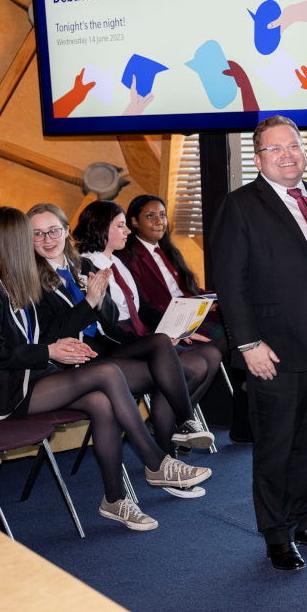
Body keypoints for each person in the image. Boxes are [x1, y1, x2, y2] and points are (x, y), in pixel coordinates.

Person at [0, 207, 211, 531]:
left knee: (102, 402)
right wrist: (50, 349)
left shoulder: (16, 280)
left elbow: (36, 335)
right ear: (14, 242)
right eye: (30, 236)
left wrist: (61, 348)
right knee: (107, 374)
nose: (37, 243)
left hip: (35, 375)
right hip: (10, 394)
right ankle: (157, 462)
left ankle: (115, 500)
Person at [211, 114, 307, 571]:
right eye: (275, 149)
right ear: (259, 159)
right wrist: (248, 344)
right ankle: (276, 536)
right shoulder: (239, 205)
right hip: (271, 348)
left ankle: (302, 520)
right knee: (276, 445)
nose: (287, 155)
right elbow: (229, 283)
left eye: (293, 146)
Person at [28, 203, 214, 494]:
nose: (48, 239)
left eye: (53, 231)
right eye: (38, 234)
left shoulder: (83, 266)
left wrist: (101, 302)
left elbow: (110, 322)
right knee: (170, 370)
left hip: (101, 349)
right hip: (73, 363)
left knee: (163, 347)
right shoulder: (32, 278)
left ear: (65, 231)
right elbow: (51, 334)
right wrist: (89, 301)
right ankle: (168, 457)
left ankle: (180, 436)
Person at [116, 194, 249, 443]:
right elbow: (144, 308)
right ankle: (244, 395)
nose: (159, 221)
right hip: (164, 325)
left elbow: (188, 292)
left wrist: (210, 300)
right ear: (134, 222)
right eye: (150, 216)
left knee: (229, 334)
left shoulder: (166, 250)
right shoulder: (129, 257)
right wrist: (186, 317)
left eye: (162, 215)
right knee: (231, 336)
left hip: (189, 315)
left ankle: (172, 422)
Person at [72, 201, 223, 410]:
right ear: (100, 227)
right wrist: (151, 340)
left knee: (212, 355)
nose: (127, 231)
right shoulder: (86, 266)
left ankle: (173, 426)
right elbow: (103, 327)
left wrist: (176, 328)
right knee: (195, 367)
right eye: (120, 225)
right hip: (118, 339)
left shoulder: (116, 262)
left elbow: (141, 307)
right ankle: (177, 424)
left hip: (137, 331)